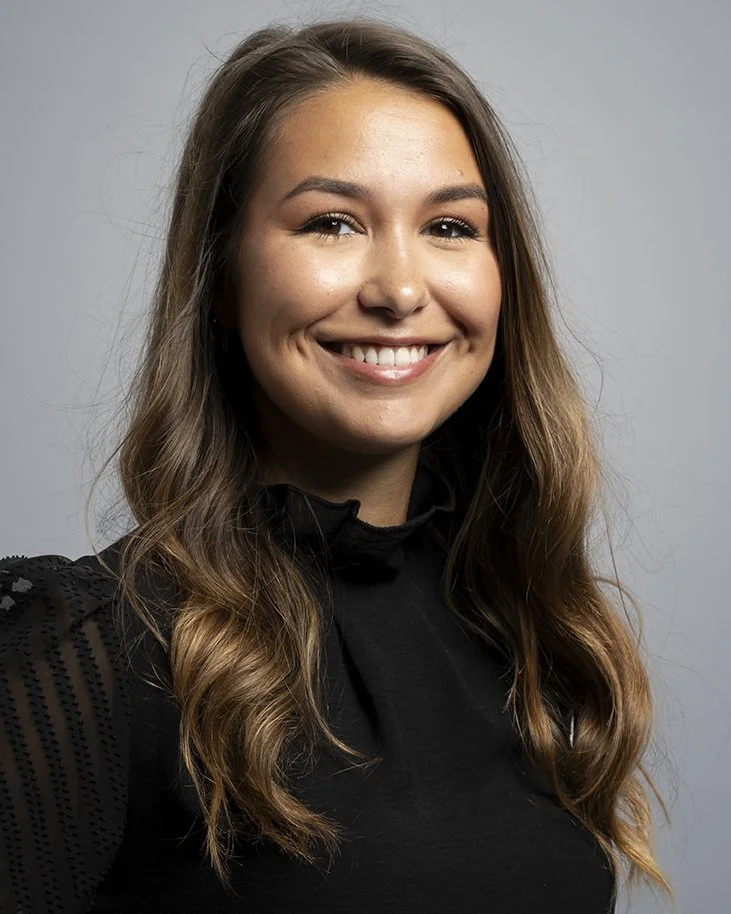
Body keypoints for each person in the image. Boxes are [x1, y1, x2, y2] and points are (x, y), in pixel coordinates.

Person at [0, 17, 673, 914]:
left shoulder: (534, 635)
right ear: (222, 274)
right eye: (331, 222)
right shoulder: (75, 658)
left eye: (447, 225)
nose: (398, 290)